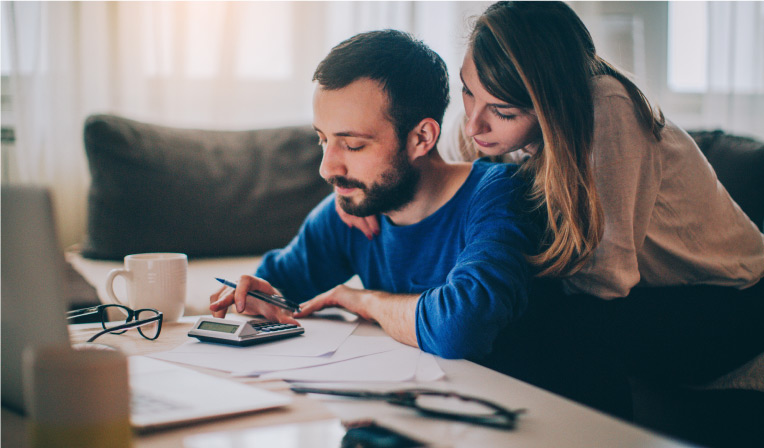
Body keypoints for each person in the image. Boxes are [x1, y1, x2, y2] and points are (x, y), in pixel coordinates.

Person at [338, 2, 764, 419]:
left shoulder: (607, 111)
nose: (474, 125)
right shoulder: (485, 115)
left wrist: (479, 286)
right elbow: (430, 167)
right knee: (491, 304)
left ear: (550, 103)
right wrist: (359, 192)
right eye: (468, 91)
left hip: (728, 299)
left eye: (503, 112)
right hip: (643, 295)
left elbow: (605, 279)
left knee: (541, 319)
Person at [209, 29, 540, 362]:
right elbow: (278, 283)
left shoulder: (499, 195)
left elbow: (461, 330)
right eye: (322, 140)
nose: (327, 169)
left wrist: (364, 300)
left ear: (421, 138)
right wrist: (258, 294)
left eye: (353, 145)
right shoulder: (354, 209)